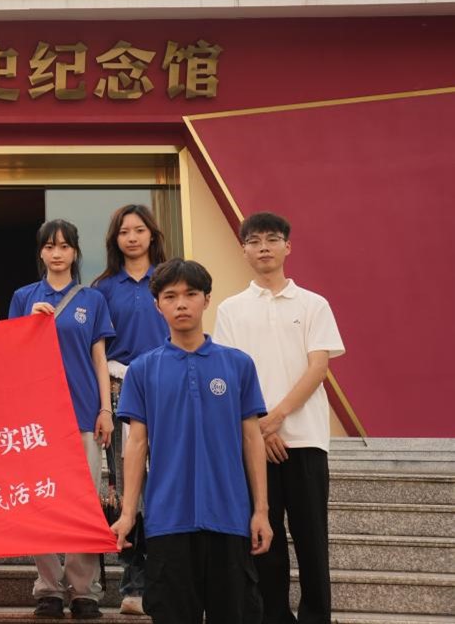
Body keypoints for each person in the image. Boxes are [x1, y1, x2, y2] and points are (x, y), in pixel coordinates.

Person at [111, 259, 271, 624]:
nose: (181, 304)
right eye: (170, 296)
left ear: (207, 299)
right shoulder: (142, 370)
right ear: (158, 305)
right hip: (168, 521)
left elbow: (252, 438)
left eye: (191, 294)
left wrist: (260, 510)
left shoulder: (238, 365)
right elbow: (136, 444)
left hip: (229, 518)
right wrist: (128, 513)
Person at [214, 212, 345, 624]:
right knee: (264, 540)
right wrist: (259, 429)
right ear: (244, 250)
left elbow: (318, 368)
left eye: (272, 239)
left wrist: (275, 419)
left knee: (312, 539)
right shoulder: (231, 310)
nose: (263, 248)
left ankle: (316, 617)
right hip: (255, 443)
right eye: (254, 241)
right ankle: (274, 617)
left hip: (306, 439)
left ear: (288, 246)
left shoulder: (313, 304)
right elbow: (231, 375)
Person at [10, 220, 114, 620]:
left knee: (83, 501)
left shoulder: (93, 299)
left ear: (75, 252)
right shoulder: (23, 297)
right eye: (50, 246)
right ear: (41, 252)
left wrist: (105, 410)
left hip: (83, 411)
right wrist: (29, 325)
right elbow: (10, 355)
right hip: (36, 418)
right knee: (42, 501)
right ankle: (49, 588)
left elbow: (99, 359)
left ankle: (84, 591)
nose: (57, 253)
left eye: (64, 246)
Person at [91, 204, 169, 615]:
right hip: (121, 391)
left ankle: (167, 579)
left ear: (152, 234)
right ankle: (133, 585)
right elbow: (96, 352)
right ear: (115, 240)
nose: (133, 237)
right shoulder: (103, 288)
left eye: (140, 230)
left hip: (168, 386)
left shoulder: (170, 279)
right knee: (128, 489)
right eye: (125, 232)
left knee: (168, 483)